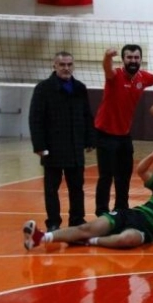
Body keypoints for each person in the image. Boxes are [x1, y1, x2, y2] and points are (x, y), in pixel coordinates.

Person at [23, 149, 153, 250]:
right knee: (86, 227)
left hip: (146, 231)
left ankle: (90, 241)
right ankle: (40, 237)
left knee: (127, 239)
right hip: (129, 215)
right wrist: (152, 156)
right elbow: (141, 171)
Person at [28, 51, 96, 232]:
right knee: (51, 189)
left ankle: (77, 220)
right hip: (53, 147)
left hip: (75, 147)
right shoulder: (43, 88)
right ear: (55, 66)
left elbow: (87, 115)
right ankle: (53, 222)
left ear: (73, 66)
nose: (66, 68)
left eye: (69, 64)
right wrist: (39, 146)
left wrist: (90, 139)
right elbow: (35, 119)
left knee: (77, 187)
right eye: (62, 65)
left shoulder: (80, 88)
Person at [94, 45, 153, 216]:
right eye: (129, 57)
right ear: (123, 60)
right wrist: (108, 56)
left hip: (124, 136)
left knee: (124, 175)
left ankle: (121, 208)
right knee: (106, 176)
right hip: (105, 134)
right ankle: (101, 211)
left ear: (141, 59)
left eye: (136, 57)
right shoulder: (115, 75)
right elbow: (107, 68)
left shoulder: (143, 77)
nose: (133, 61)